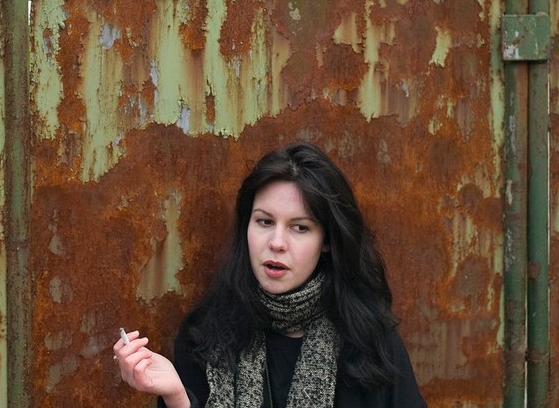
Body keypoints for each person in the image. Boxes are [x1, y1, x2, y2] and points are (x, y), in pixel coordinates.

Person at [113, 142, 427, 408]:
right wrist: (177, 397)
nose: (277, 243)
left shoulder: (369, 342)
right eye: (264, 222)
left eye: (300, 227)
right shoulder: (205, 336)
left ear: (327, 241)